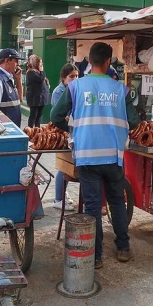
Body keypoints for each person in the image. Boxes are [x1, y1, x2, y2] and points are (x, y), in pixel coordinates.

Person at [51, 42, 140, 269]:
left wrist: (72, 128)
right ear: (109, 61)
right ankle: (123, 247)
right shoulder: (121, 90)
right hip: (113, 155)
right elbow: (134, 121)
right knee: (117, 202)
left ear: (89, 61)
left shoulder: (76, 87)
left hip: (87, 155)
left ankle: (96, 256)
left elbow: (55, 114)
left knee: (92, 207)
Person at [50, 63, 79, 211]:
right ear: (63, 78)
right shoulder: (58, 92)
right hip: (63, 133)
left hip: (73, 132)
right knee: (63, 166)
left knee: (67, 166)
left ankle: (62, 194)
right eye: (71, 76)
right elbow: (58, 114)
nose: (74, 79)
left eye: (77, 76)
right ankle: (58, 198)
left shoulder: (77, 90)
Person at [0, 48, 25, 127]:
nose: (18, 64)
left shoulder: (8, 78)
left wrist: (18, 80)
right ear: (7, 61)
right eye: (16, 61)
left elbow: (20, 99)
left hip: (13, 127)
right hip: (6, 129)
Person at [26, 55, 48, 128]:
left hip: (41, 98)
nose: (41, 64)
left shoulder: (38, 72)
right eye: (40, 62)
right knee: (33, 116)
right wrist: (42, 71)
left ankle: (37, 130)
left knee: (39, 116)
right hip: (35, 99)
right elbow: (39, 80)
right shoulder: (31, 72)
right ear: (35, 63)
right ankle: (30, 130)